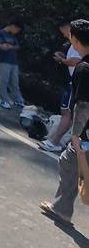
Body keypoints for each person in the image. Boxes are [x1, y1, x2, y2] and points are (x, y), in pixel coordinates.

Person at [40, 18, 89, 224]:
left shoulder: (84, 68)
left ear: (75, 40)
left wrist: (76, 135)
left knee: (68, 162)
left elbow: (84, 105)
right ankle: (61, 208)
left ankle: (61, 210)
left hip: (86, 135)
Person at [40, 21, 82, 152]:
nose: (64, 35)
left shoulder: (78, 42)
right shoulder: (75, 44)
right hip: (74, 82)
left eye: (64, 32)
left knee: (67, 114)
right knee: (69, 113)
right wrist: (64, 57)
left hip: (76, 83)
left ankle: (55, 142)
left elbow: (76, 62)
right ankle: (62, 142)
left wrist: (62, 60)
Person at [0, 17, 25, 109]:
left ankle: (19, 100)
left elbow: (17, 46)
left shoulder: (13, 36)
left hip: (14, 61)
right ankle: (4, 100)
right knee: (3, 81)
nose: (17, 32)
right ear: (13, 26)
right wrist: (1, 46)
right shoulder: (0, 33)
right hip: (4, 60)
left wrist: (10, 47)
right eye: (17, 29)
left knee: (15, 82)